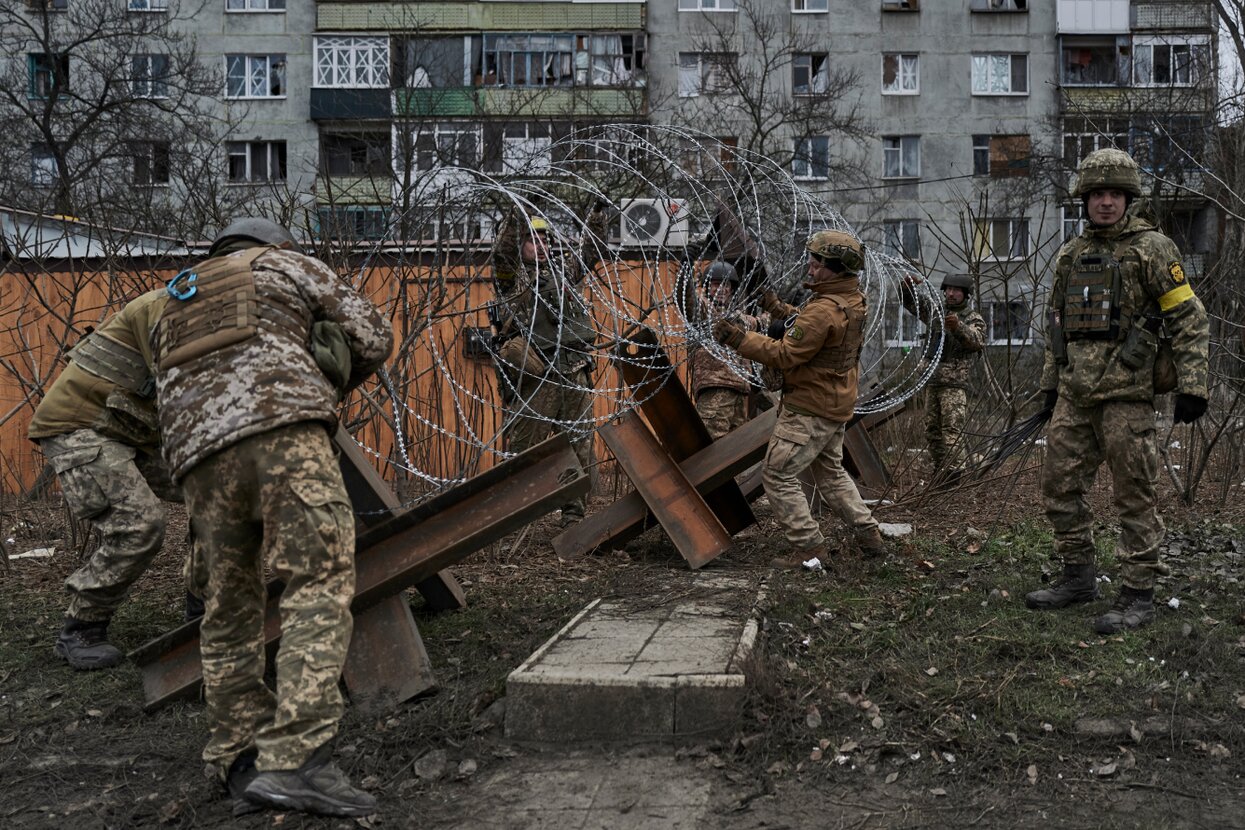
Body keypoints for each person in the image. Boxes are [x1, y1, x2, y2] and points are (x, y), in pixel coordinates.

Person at [153, 218, 393, 818]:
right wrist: (329, 375)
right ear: (273, 244)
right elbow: (373, 335)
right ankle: (296, 760)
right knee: (318, 578)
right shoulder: (283, 264)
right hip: (283, 430)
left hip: (198, 460)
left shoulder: (170, 302)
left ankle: (240, 761)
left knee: (227, 605)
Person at [1026, 148, 1209, 634]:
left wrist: (1193, 385)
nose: (1105, 202)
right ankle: (1078, 577)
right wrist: (1050, 387)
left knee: (1134, 495)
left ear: (1129, 198)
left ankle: (1137, 594)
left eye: (1115, 194)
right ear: (1084, 200)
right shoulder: (1071, 253)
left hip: (1127, 396)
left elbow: (1188, 319)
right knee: (1058, 488)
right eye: (1097, 194)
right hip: (1075, 395)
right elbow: (1056, 327)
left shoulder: (1153, 249)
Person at [29, 287, 194, 670]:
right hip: (80, 425)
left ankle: (203, 605)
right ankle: (82, 628)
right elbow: (184, 384)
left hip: (129, 426)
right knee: (139, 524)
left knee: (220, 493)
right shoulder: (169, 305)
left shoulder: (224, 307)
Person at [713, 230, 886, 569]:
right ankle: (870, 536)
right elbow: (808, 326)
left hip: (809, 408)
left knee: (777, 474)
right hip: (833, 403)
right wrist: (776, 307)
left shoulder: (823, 310)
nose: (810, 267)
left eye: (817, 263)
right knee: (832, 474)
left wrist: (738, 338)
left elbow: (785, 353)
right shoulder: (851, 300)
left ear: (835, 268)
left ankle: (809, 549)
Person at [491, 208, 607, 527]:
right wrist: (518, 211)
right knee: (525, 450)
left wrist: (597, 214)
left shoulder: (561, 272)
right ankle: (513, 521)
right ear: (519, 244)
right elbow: (502, 252)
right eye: (532, 239)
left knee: (580, 444)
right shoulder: (510, 278)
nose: (540, 245)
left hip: (573, 368)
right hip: (537, 376)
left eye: (544, 238)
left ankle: (574, 517)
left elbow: (590, 249)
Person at [899, 272, 987, 478]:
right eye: (948, 289)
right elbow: (913, 304)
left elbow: (977, 341)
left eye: (956, 290)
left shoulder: (973, 318)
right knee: (932, 432)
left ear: (966, 294)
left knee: (951, 431)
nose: (951, 294)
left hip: (954, 384)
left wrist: (958, 327)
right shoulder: (937, 312)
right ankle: (943, 472)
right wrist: (906, 287)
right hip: (933, 381)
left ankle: (957, 473)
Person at [688, 261, 768, 439]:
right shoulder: (704, 312)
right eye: (717, 284)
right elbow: (688, 299)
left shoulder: (739, 317)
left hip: (740, 392)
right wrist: (686, 272)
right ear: (708, 287)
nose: (722, 289)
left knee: (735, 449)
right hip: (716, 388)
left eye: (727, 284)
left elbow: (762, 322)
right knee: (713, 445)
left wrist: (779, 307)